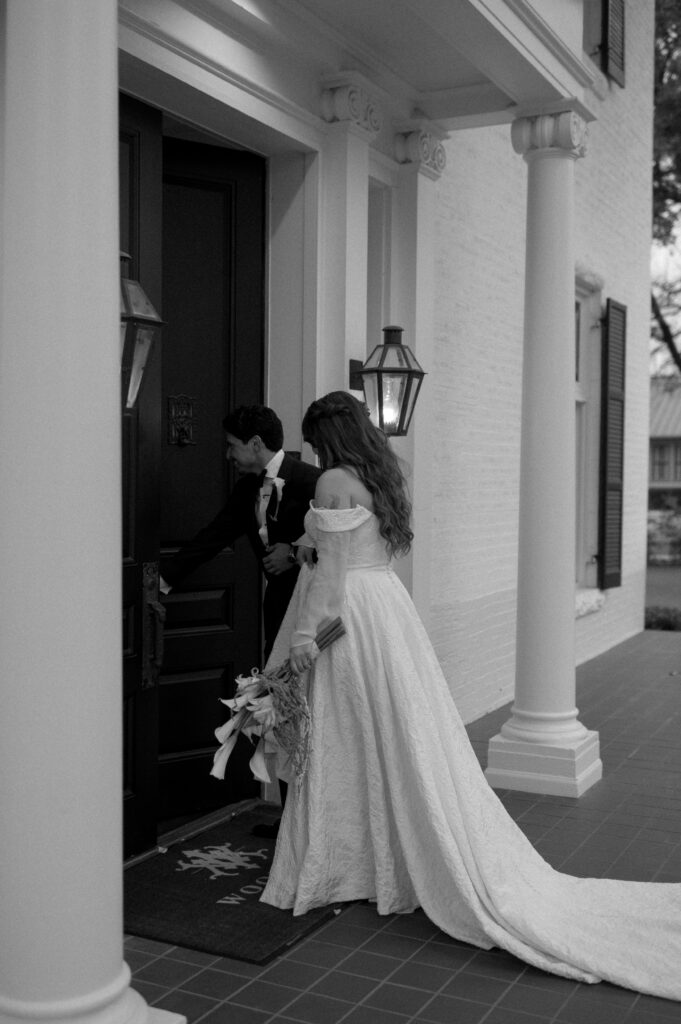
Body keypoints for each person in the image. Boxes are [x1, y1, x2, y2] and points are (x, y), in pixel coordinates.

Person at [259, 390, 681, 1001]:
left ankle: (350, 861)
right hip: (387, 613)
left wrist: (303, 638)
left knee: (345, 736)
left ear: (328, 438)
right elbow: (352, 550)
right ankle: (387, 854)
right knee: (394, 735)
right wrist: (311, 551)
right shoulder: (384, 473)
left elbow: (328, 574)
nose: (313, 450)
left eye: (314, 439)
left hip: (345, 619)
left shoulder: (331, 480)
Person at [162, 404, 320, 836]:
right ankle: (291, 823)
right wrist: (163, 580)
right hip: (278, 613)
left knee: (314, 709)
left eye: (232, 445)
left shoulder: (313, 480)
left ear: (254, 443)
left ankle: (313, 821)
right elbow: (214, 535)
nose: (228, 454)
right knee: (283, 710)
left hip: (313, 617)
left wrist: (296, 550)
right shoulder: (247, 487)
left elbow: (345, 543)